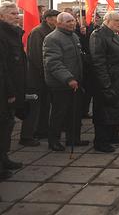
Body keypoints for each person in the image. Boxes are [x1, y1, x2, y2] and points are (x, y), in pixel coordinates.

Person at [43, 12, 88, 151]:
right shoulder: (52, 38)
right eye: (68, 21)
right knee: (59, 114)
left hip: (75, 82)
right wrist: (68, 78)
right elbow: (53, 63)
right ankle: (54, 141)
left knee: (74, 113)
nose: (72, 23)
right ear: (59, 22)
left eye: (73, 21)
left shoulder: (74, 36)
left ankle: (73, 139)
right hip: (61, 84)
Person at [90, 11, 119, 152]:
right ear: (107, 20)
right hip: (107, 79)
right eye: (117, 20)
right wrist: (106, 84)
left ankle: (114, 135)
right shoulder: (98, 35)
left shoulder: (116, 34)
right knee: (104, 112)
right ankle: (101, 142)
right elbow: (98, 62)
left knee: (117, 109)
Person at [20, 9, 60, 146]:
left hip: (45, 77)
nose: (58, 20)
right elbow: (37, 56)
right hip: (35, 77)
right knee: (33, 107)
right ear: (48, 18)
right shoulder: (38, 32)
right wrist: (47, 73)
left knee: (45, 105)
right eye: (56, 18)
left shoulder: (50, 32)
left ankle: (41, 130)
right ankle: (26, 136)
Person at [0, 2, 24, 179]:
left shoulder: (13, 33)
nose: (17, 16)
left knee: (8, 125)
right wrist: (9, 92)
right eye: (12, 14)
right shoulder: (2, 35)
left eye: (17, 13)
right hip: (4, 90)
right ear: (1, 16)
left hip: (13, 86)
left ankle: (4, 158)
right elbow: (3, 68)